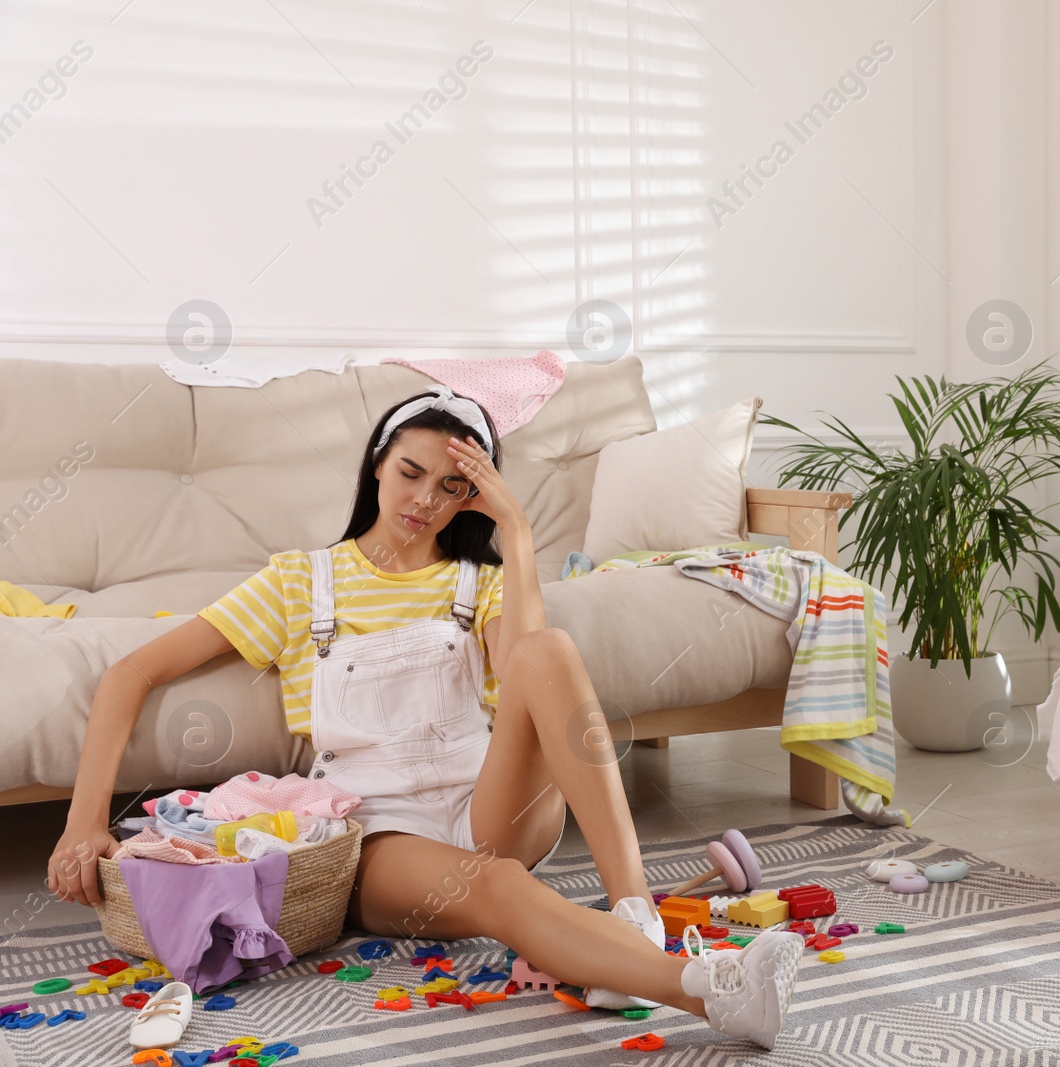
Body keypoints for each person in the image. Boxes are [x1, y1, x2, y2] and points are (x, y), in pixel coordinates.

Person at [45, 385, 802, 1049]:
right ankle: (713, 989)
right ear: (377, 461)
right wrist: (85, 821)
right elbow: (128, 673)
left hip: (491, 800)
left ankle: (635, 914)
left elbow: (526, 682)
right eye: (410, 472)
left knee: (548, 650)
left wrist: (520, 533)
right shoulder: (299, 581)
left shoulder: (479, 580)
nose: (423, 500)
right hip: (380, 828)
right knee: (500, 889)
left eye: (450, 487)